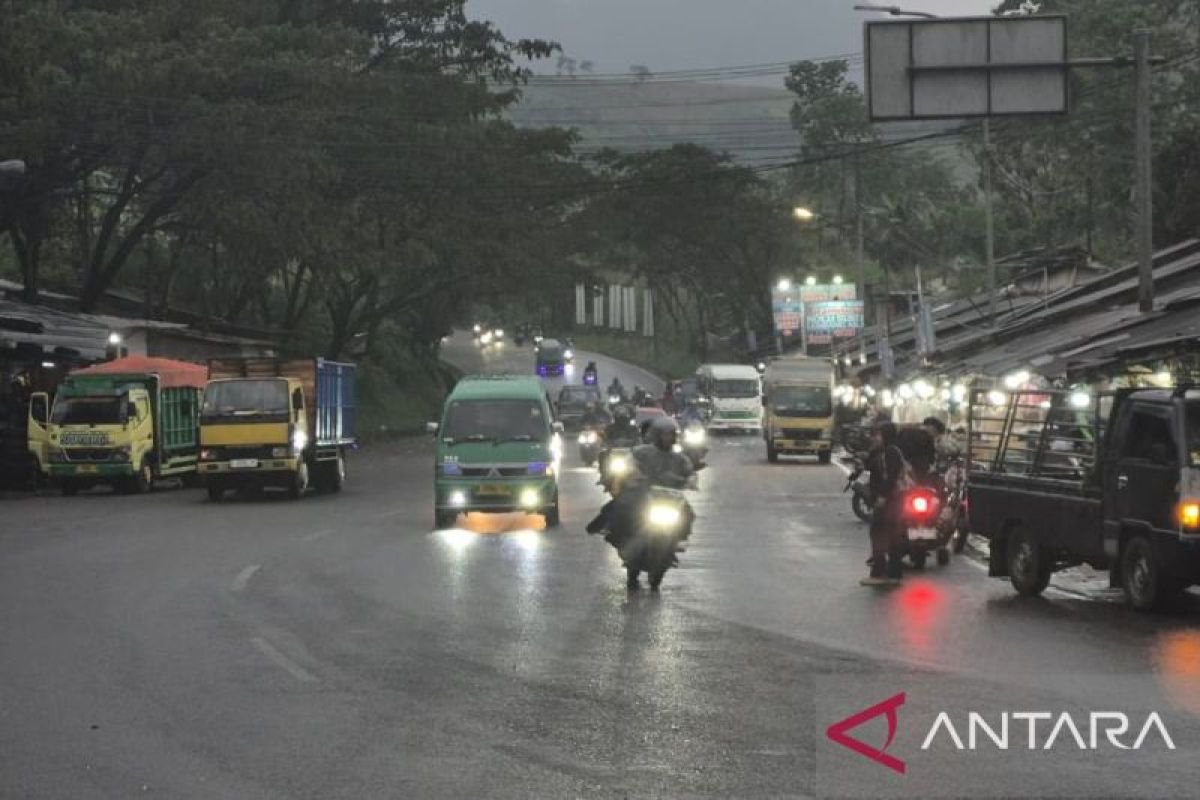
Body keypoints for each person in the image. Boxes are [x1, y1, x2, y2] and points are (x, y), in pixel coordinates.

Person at [862, 422, 908, 586]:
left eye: (878, 435)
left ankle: (880, 572)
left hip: (891, 500)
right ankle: (892, 572)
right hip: (891, 499)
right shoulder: (883, 451)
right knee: (889, 534)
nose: (875, 438)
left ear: (886, 435)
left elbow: (891, 477)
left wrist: (882, 497)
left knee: (879, 532)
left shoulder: (891, 452)